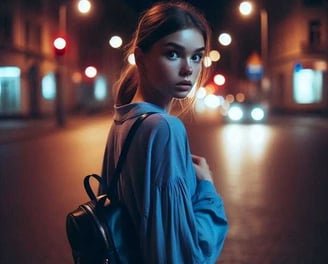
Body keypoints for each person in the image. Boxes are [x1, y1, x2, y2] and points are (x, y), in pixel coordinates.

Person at [100, 1, 228, 263]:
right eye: (173, 54)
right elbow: (184, 255)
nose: (188, 69)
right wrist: (206, 188)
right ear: (140, 57)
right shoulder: (164, 128)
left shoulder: (124, 119)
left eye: (196, 56)